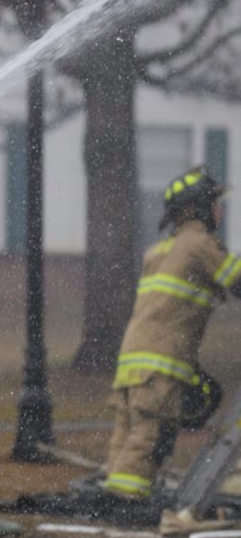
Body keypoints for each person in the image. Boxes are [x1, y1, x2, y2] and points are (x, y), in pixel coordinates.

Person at [102, 166, 240, 500]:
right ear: (197, 209)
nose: (219, 210)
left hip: (131, 364)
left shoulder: (158, 251)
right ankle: (126, 505)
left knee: (127, 436)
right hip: (160, 368)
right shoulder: (199, 244)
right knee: (152, 439)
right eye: (214, 203)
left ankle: (109, 497)